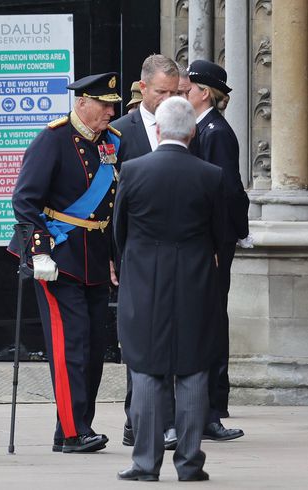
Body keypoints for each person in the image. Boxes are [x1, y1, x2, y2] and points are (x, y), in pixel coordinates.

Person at [9, 73, 121, 453]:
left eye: (113, 105)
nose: (110, 111)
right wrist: (38, 250)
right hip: (60, 256)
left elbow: (112, 208)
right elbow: (25, 200)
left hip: (95, 258)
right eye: (104, 104)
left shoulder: (112, 143)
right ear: (82, 103)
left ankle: (73, 426)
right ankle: (75, 432)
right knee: (70, 344)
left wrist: (113, 256)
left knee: (93, 347)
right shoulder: (52, 140)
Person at [115, 96, 223, 482]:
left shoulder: (132, 170)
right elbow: (221, 233)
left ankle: (145, 463)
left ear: (157, 130)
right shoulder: (211, 175)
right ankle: (190, 463)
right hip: (195, 280)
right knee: (193, 370)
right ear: (192, 132)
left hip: (144, 280)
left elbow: (119, 230)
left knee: (145, 368)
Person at [112, 54, 179, 450]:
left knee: (172, 338)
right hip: (135, 254)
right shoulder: (120, 134)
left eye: (175, 92)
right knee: (138, 340)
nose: (169, 99)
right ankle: (135, 419)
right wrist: (113, 255)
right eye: (161, 92)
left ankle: (163, 422)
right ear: (142, 89)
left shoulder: (186, 130)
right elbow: (110, 203)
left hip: (177, 254)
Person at [187, 59, 249, 442]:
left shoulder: (216, 132)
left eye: (189, 88)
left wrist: (216, 241)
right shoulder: (202, 128)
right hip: (205, 241)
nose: (184, 94)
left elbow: (224, 191)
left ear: (205, 92)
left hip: (213, 245)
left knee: (211, 322)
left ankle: (214, 404)